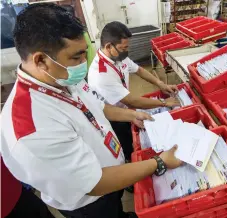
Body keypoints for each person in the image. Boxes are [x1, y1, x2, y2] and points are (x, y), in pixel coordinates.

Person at [0, 3, 182, 218]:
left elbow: (96, 107)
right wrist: (159, 162)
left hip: (111, 178)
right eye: (76, 57)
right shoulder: (31, 126)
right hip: (90, 203)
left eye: (84, 54)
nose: (84, 64)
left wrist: (131, 115)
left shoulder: (61, 78)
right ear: (41, 60)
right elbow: (95, 183)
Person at [88, 21, 180, 162]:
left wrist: (160, 84)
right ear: (108, 46)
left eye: (127, 47)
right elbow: (131, 100)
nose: (126, 51)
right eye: (123, 48)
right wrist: (163, 102)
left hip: (125, 109)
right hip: (112, 118)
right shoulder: (101, 74)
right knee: (125, 146)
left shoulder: (117, 57)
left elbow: (139, 70)